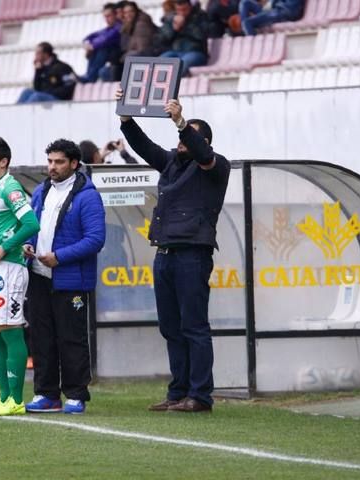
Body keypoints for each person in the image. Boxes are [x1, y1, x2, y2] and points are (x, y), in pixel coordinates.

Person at [115, 88, 230, 413]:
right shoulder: (172, 163)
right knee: (171, 327)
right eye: (181, 135)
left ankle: (200, 395)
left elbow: (201, 152)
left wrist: (181, 122)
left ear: (203, 141)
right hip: (164, 254)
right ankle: (178, 392)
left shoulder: (216, 166)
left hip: (193, 255)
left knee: (194, 326)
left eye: (188, 137)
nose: (181, 142)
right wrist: (126, 116)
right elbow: (144, 146)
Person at [23, 139, 106, 415]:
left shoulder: (88, 196)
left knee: (72, 337)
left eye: (59, 162)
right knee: (41, 338)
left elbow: (95, 239)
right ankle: (46, 394)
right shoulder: (40, 192)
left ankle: (76, 393)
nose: (52, 167)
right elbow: (32, 227)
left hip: (70, 279)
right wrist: (28, 246)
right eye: (50, 161)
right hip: (38, 275)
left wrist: (60, 257)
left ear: (74, 163)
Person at [0, 137, 40, 416]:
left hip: (10, 270)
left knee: (10, 330)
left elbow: (31, 224)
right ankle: (2, 398)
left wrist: (5, 247)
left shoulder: (11, 188)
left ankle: (15, 399)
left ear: (3, 162)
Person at [100, 1, 157, 81]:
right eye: (126, 12)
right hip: (134, 56)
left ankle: (121, 88)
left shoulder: (141, 23)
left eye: (131, 11)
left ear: (136, 11)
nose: (128, 14)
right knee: (105, 71)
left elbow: (143, 48)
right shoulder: (127, 25)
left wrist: (122, 57)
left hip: (146, 56)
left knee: (125, 61)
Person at [156, 0, 210, 75]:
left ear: (189, 5)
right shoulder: (171, 18)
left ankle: (177, 85)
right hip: (174, 52)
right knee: (157, 65)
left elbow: (202, 35)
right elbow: (161, 40)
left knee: (181, 65)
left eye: (184, 8)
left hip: (196, 52)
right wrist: (173, 29)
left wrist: (185, 25)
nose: (181, 11)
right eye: (179, 8)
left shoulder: (200, 15)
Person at [79, 3, 123, 83]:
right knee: (97, 48)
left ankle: (91, 77)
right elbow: (88, 37)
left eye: (109, 16)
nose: (106, 19)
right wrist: (88, 45)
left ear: (115, 15)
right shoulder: (107, 29)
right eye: (105, 17)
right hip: (113, 55)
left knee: (102, 49)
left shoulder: (119, 27)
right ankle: (89, 75)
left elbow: (107, 39)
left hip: (120, 55)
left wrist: (92, 46)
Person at [239, 0, 304, 36]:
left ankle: (254, 48)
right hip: (275, 11)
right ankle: (246, 30)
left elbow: (291, 11)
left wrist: (273, 6)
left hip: (282, 13)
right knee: (245, 2)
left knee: (247, 22)